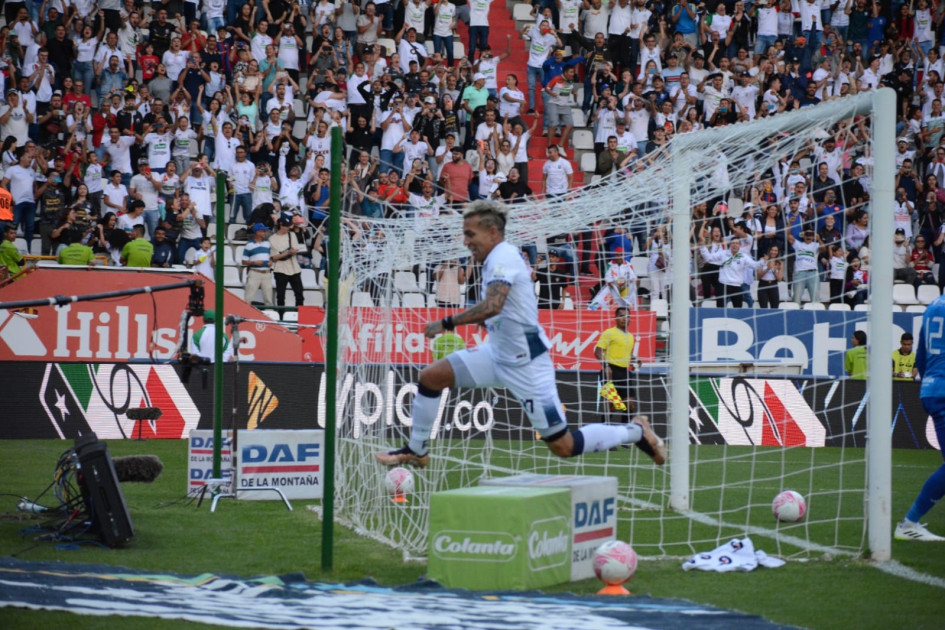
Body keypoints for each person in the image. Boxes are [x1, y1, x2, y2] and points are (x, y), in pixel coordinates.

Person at [374, 201, 666, 468]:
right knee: (430, 377)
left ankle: (635, 431)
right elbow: (500, 306)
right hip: (497, 354)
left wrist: (448, 322)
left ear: (491, 232)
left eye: (470, 234)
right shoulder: (493, 259)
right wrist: (490, 321)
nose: (466, 241)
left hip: (527, 364)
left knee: (563, 446)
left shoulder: (503, 257)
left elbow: (493, 304)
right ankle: (418, 449)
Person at [895, 294, 945, 541]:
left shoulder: (933, 306)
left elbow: (922, 358)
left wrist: (930, 381)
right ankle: (908, 523)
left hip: (933, 388)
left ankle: (909, 522)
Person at [595, 306, 638, 415]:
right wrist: (606, 366)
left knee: (630, 406)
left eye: (627, 316)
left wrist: (635, 359)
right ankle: (605, 430)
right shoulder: (609, 332)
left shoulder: (631, 336)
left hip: (625, 373)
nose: (625, 318)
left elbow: (628, 354)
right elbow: (597, 351)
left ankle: (625, 430)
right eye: (621, 316)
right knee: (611, 407)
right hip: (611, 372)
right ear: (615, 318)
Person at [269, 216, 304, 311]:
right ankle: (281, 315)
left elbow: (295, 249)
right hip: (280, 268)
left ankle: (299, 314)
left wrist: (285, 253)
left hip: (294, 267)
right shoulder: (272, 239)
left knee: (299, 293)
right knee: (280, 295)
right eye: (286, 226)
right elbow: (273, 257)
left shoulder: (291, 234)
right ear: (281, 225)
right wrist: (287, 253)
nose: (288, 228)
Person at [243, 222, 274, 306]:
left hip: (266, 273)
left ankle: (269, 313)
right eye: (263, 231)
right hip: (254, 272)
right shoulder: (249, 244)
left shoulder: (268, 243)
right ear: (257, 232)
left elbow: (271, 256)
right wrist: (254, 263)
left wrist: (271, 261)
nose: (265, 233)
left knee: (268, 299)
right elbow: (244, 261)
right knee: (248, 297)